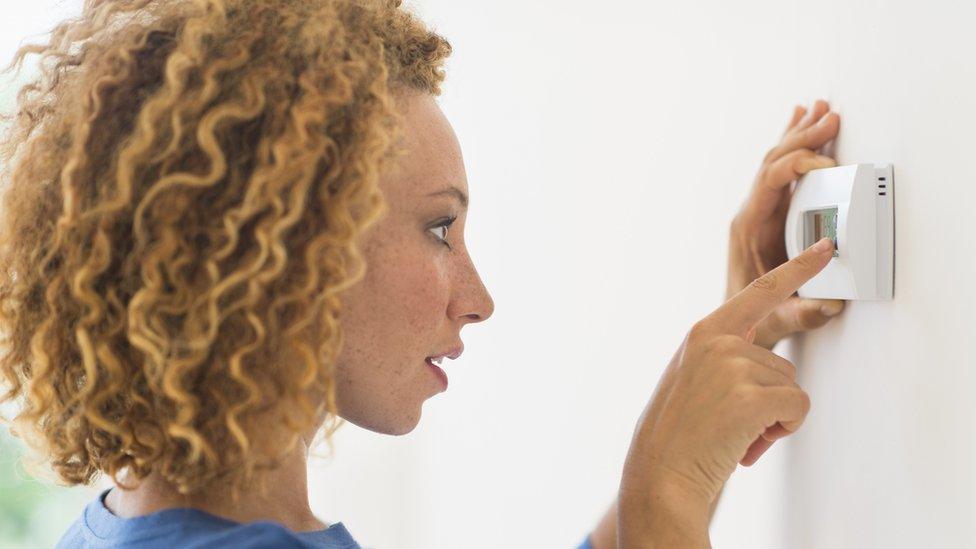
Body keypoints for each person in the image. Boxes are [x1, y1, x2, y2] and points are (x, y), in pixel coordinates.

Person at [0, 0, 845, 547]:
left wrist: (718, 364)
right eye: (440, 227)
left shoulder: (124, 530)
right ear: (287, 251)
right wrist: (665, 490)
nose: (479, 301)